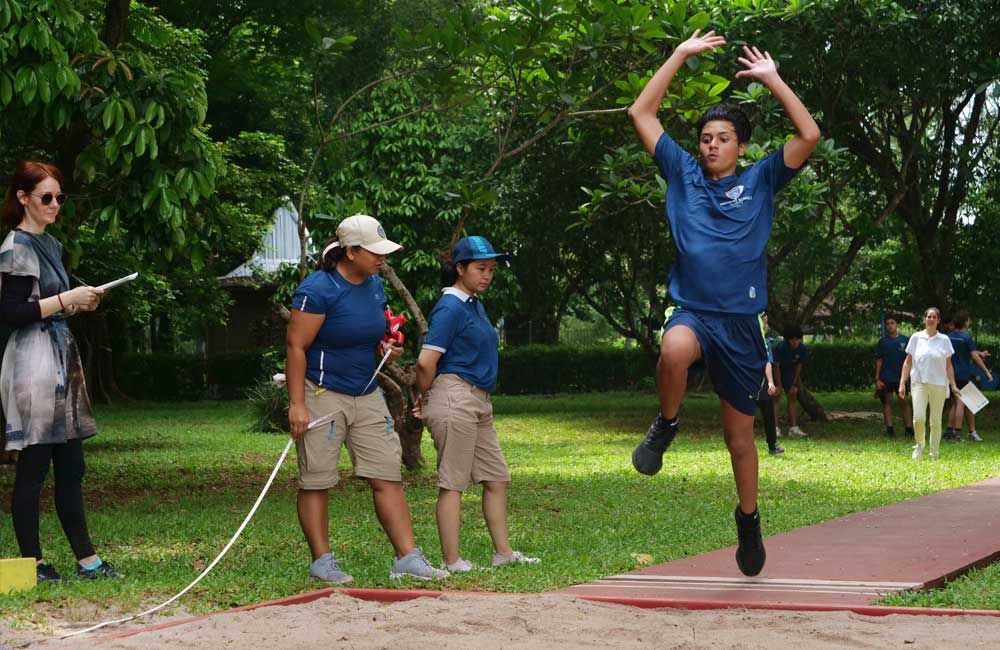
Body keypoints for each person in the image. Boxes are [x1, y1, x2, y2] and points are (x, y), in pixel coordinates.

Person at [627, 30, 820, 576]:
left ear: (741, 146)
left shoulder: (762, 179)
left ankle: (749, 518)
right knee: (673, 350)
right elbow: (642, 112)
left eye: (723, 137)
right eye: (706, 137)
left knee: (740, 439)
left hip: (741, 325)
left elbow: (809, 133)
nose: (711, 144)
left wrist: (772, 78)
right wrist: (681, 54)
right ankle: (666, 423)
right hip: (693, 311)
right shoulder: (681, 174)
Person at [286, 214, 448, 582]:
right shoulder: (318, 289)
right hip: (322, 392)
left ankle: (407, 558)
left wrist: (383, 347)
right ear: (350, 251)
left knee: (386, 473)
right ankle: (322, 562)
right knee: (317, 479)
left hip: (366, 392)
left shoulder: (374, 285)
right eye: (374, 252)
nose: (381, 259)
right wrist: (297, 404)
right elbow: (296, 346)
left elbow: (369, 332)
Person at [0, 161, 120, 582]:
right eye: (45, 197)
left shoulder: (50, 244)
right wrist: (67, 298)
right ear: (22, 197)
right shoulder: (15, 246)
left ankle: (87, 560)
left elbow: (58, 296)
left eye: (59, 198)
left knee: (72, 466)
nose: (54, 205)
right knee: (35, 466)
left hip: (62, 360)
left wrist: (85, 299)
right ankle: (32, 562)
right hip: (32, 363)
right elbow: (13, 312)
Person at [414, 236, 540, 573]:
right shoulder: (450, 307)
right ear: (460, 268)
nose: (487, 275)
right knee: (453, 482)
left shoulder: (472, 303)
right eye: (481, 268)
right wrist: (423, 396)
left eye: (492, 269)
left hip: (479, 400)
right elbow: (427, 361)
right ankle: (452, 561)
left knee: (496, 478)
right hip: (455, 396)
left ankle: (504, 554)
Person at [899, 308, 960, 461]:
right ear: (924, 319)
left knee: (935, 420)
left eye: (934, 317)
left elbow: (948, 365)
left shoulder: (944, 340)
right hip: (918, 383)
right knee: (918, 418)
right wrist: (902, 383)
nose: (931, 319)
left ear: (938, 320)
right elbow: (907, 363)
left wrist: (953, 385)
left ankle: (934, 453)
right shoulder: (916, 337)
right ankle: (919, 445)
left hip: (938, 384)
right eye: (929, 316)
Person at [946, 311, 991, 442]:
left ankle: (953, 431)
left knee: (956, 402)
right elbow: (973, 356)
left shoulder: (948, 337)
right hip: (963, 374)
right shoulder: (966, 337)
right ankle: (957, 433)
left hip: (950, 374)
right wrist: (986, 371)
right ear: (965, 322)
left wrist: (979, 353)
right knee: (962, 402)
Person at [875, 317, 913, 438]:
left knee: (904, 402)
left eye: (892, 323)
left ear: (897, 325)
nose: (890, 326)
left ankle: (909, 429)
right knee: (887, 402)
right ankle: (889, 429)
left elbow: (910, 360)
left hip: (901, 378)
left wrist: (909, 376)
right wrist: (877, 378)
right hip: (886, 377)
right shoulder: (882, 342)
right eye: (887, 324)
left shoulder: (905, 340)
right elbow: (879, 360)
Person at [772, 325, 809, 437]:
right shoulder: (780, 348)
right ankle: (774, 428)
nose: (795, 342)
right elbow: (776, 367)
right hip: (777, 372)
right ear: (788, 339)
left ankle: (793, 428)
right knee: (776, 397)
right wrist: (778, 385)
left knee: (793, 395)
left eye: (798, 339)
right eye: (793, 339)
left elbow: (798, 367)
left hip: (789, 372)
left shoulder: (802, 349)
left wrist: (794, 383)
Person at [756, 315, 783, 455]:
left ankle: (772, 446)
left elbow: (767, 362)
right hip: (749, 380)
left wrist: (770, 382)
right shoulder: (751, 340)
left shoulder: (765, 342)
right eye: (765, 323)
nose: (767, 326)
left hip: (762, 382)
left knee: (768, 413)